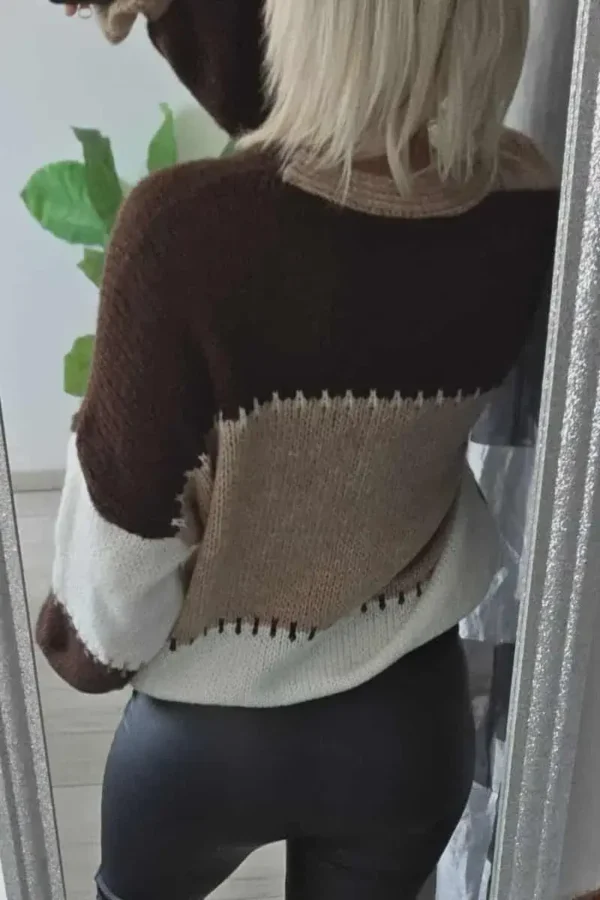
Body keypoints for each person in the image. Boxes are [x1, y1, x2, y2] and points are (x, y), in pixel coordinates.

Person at [37, 1, 559, 898]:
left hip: (205, 743)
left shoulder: (182, 235)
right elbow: (327, 159)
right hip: (408, 723)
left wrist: (80, 649)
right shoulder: (527, 200)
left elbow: (114, 592)